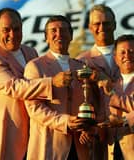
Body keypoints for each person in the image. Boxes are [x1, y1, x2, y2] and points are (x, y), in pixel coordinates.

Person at [0, 8, 72, 160]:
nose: (12, 34)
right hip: (5, 135)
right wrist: (52, 83)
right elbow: (14, 87)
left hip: (34, 134)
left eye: (16, 29)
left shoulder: (30, 53)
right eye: (6, 30)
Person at [24, 15, 101, 160]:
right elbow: (34, 108)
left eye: (63, 30)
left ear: (71, 36)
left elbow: (90, 103)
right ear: (46, 37)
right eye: (53, 31)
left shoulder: (81, 67)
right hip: (49, 147)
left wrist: (88, 127)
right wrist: (65, 122)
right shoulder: (35, 66)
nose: (58, 34)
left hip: (80, 147)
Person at [76, 4, 121, 159]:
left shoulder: (128, 54)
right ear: (90, 27)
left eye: (106, 23)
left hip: (129, 131)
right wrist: (84, 128)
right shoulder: (81, 61)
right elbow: (77, 101)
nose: (102, 27)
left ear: (114, 25)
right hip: (99, 137)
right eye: (97, 24)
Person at [107, 34, 134, 160]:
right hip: (112, 151)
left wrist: (124, 121)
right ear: (115, 59)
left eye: (131, 51)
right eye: (122, 52)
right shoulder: (112, 84)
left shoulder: (110, 90)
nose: (127, 56)